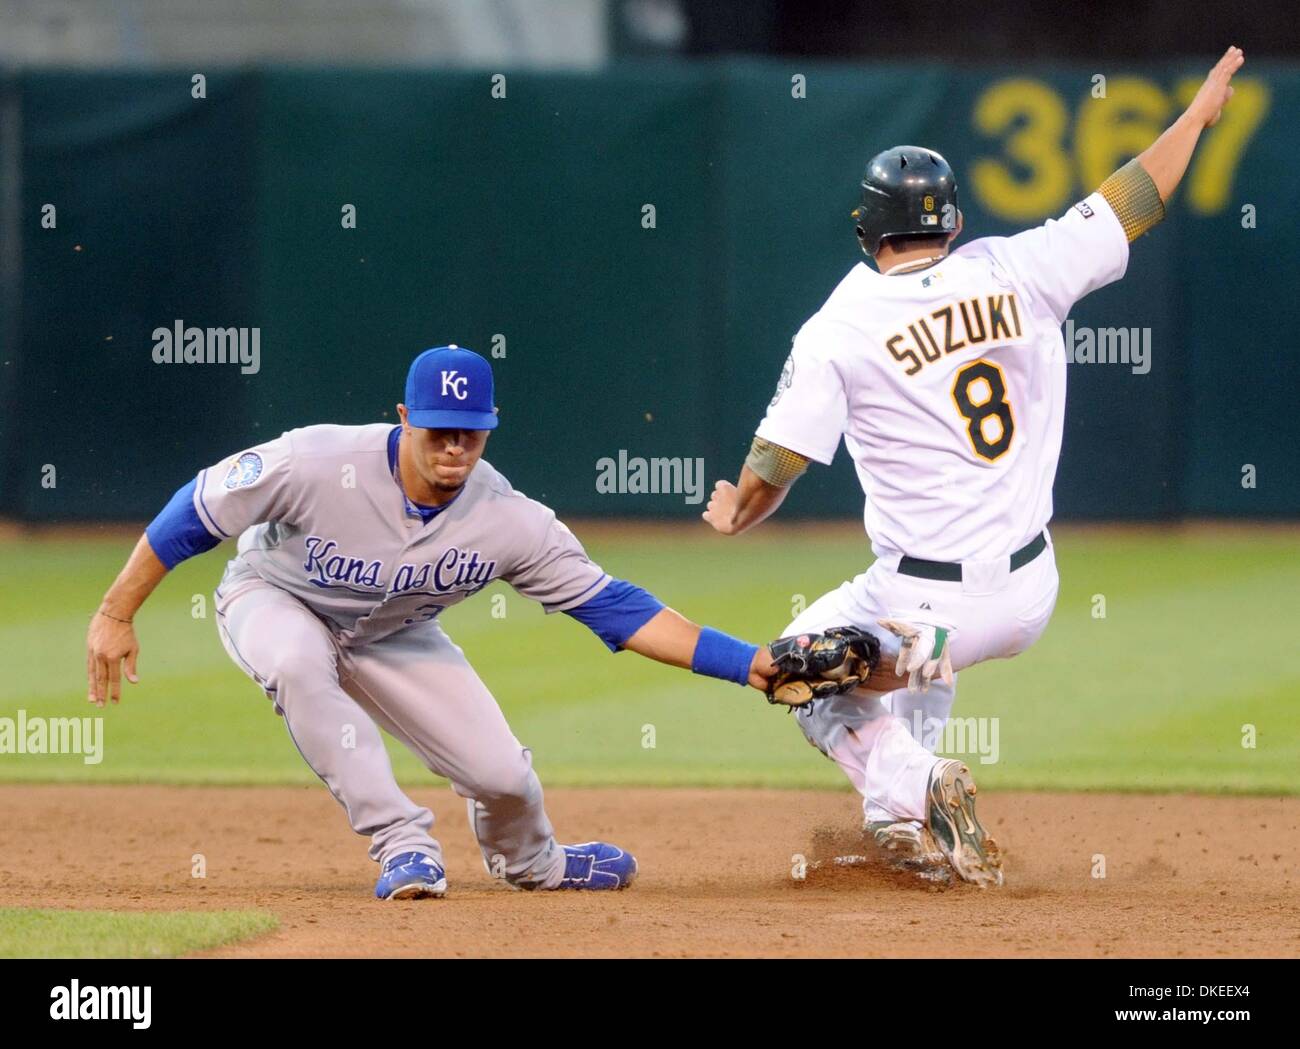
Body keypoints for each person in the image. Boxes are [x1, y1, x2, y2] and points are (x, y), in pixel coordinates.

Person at [703, 48, 1246, 887]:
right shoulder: (1020, 266)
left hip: (925, 593)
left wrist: (737, 508)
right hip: (1029, 588)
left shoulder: (840, 323)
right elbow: (1134, 199)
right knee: (919, 657)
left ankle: (917, 785)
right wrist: (1199, 114)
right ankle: (902, 829)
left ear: (866, 230)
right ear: (952, 223)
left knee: (793, 665)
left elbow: (777, 463)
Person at [87, 345, 777, 899]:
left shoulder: (507, 519)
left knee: (503, 777)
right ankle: (402, 843)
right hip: (274, 597)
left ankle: (534, 861)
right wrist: (117, 610)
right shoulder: (319, 461)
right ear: (403, 417)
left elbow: (618, 610)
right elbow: (195, 510)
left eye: (469, 431)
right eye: (438, 429)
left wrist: (749, 663)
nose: (454, 445)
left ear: (489, 425)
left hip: (393, 633)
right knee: (296, 663)